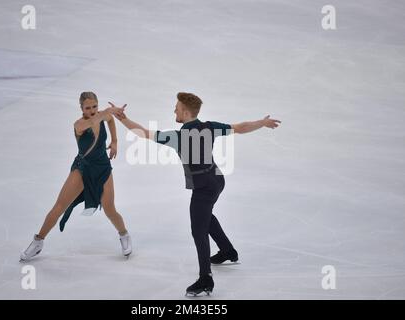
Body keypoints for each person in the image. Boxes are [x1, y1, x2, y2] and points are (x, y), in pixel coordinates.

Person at [108, 92, 281, 296]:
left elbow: (145, 133)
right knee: (205, 216)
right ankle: (227, 250)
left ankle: (205, 278)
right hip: (217, 180)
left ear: (186, 112)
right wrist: (262, 122)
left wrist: (122, 119)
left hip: (203, 188)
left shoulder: (178, 137)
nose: (174, 110)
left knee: (198, 230)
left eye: (177, 108)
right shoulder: (209, 126)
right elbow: (240, 128)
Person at [20, 92, 132, 262]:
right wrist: (108, 111)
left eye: (95, 106)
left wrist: (115, 140)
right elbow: (99, 118)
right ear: (81, 108)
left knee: (110, 208)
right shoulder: (79, 125)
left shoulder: (103, 116)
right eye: (88, 107)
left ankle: (124, 235)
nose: (92, 110)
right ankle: (38, 241)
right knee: (59, 206)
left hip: (102, 167)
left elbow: (109, 120)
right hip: (83, 168)